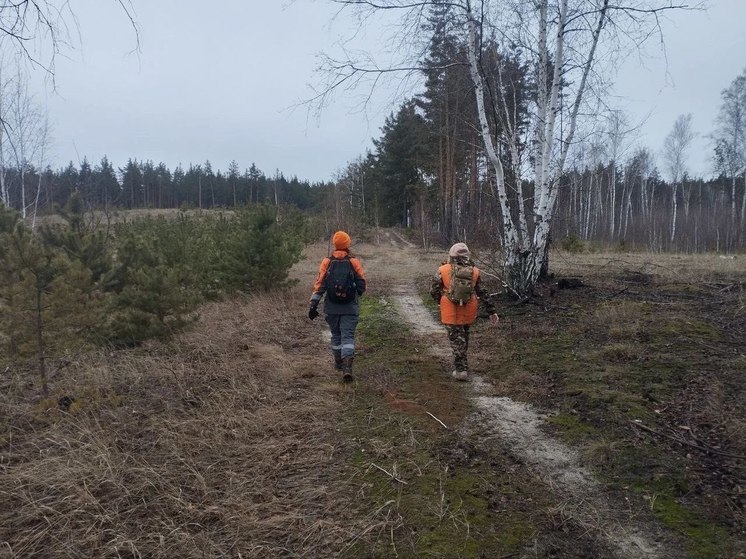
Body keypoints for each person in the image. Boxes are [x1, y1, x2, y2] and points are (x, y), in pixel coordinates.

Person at [430, 242, 498, 381]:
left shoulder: (442, 270)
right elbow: (482, 292)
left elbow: (433, 290)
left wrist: (440, 301)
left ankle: (461, 370)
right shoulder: (475, 271)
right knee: (464, 337)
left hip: (450, 310)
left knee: (456, 340)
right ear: (467, 255)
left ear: (451, 255)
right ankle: (462, 364)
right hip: (469, 308)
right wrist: (492, 311)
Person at [308, 231, 367, 382]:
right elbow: (362, 285)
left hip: (332, 308)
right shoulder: (354, 262)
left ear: (335, 244)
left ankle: (338, 363)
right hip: (350, 308)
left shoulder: (326, 262)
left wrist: (313, 304)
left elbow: (319, 285)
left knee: (336, 336)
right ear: (348, 244)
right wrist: (353, 295)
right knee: (348, 336)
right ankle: (347, 368)